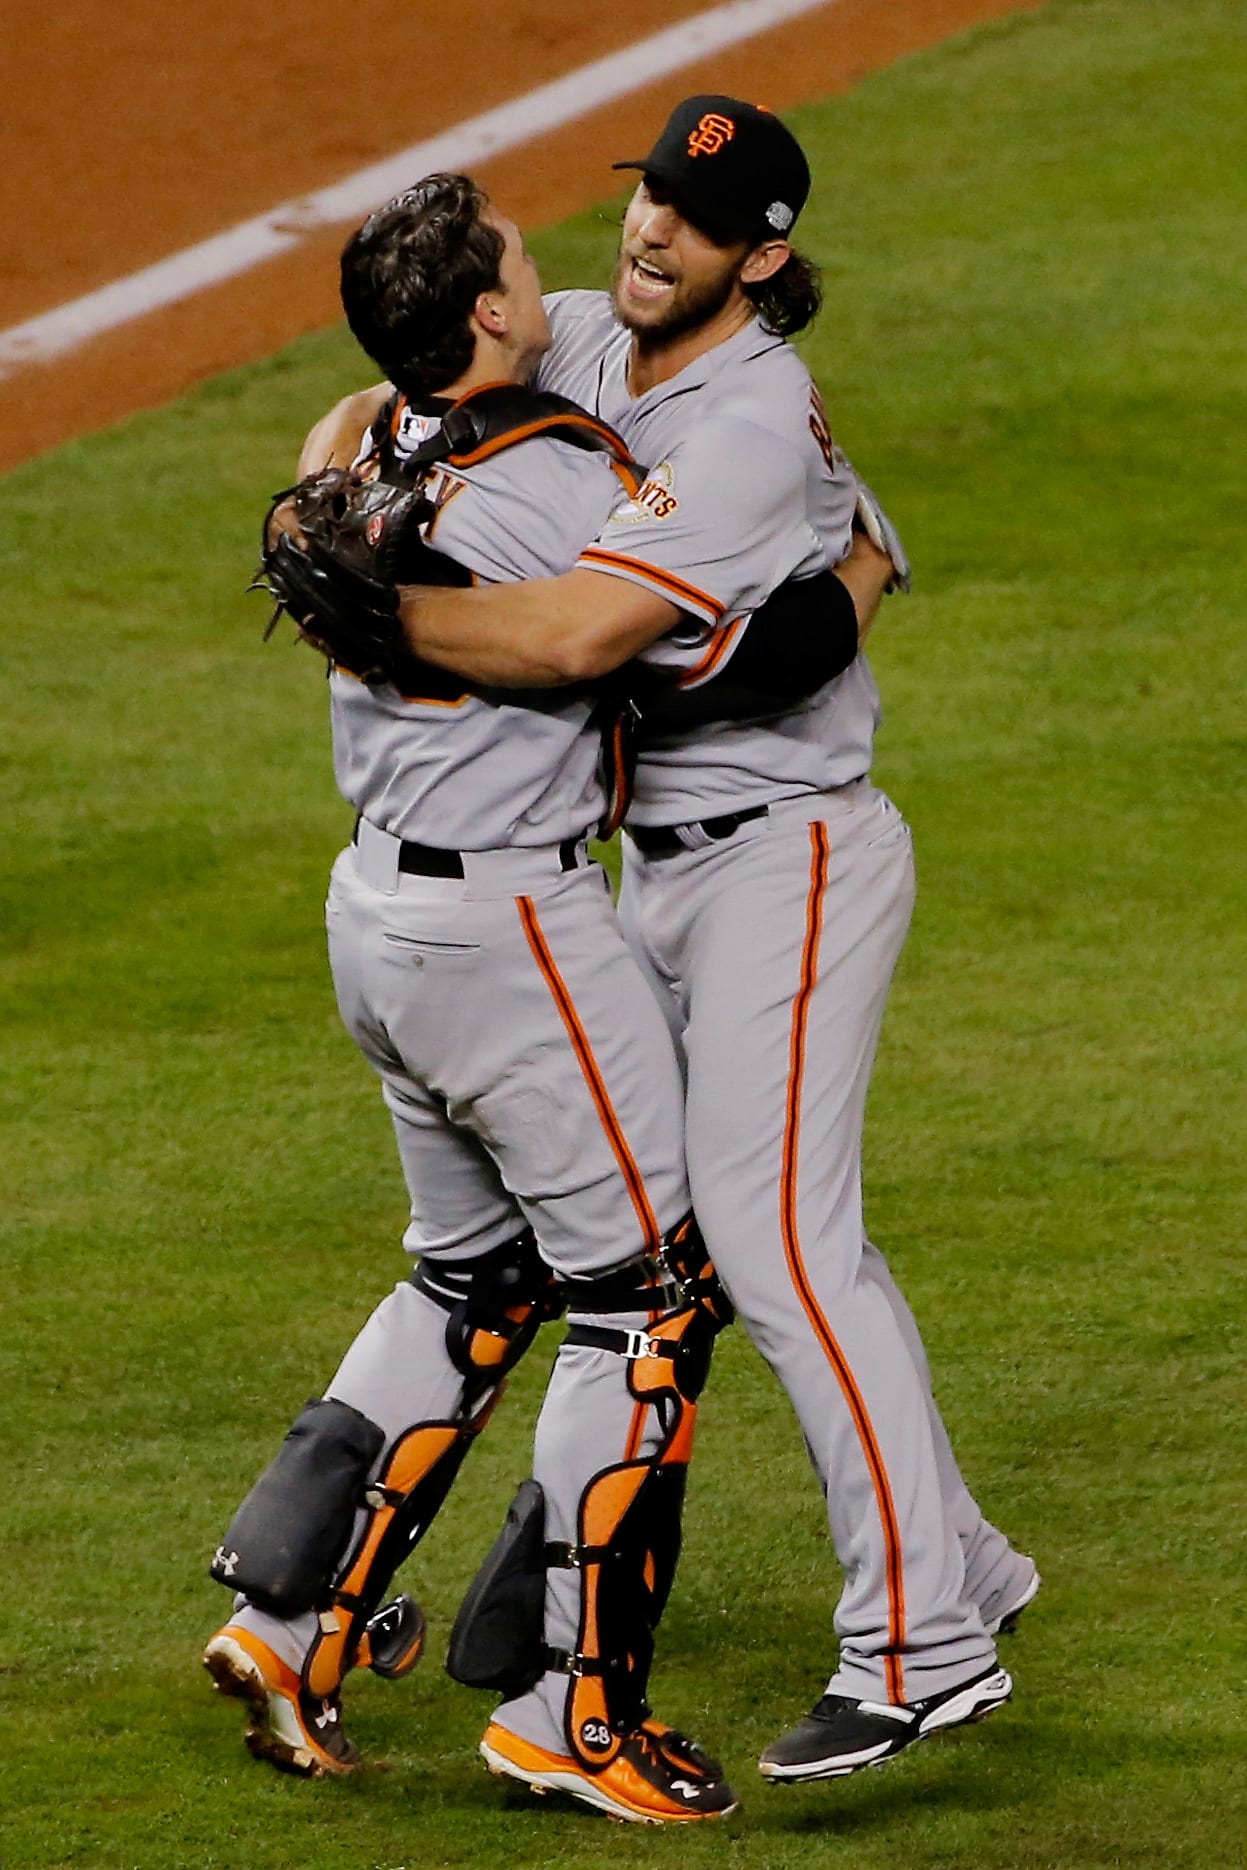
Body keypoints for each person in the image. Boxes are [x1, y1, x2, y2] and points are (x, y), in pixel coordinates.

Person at [365, 98, 1040, 1788]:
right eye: (652, 192)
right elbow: (408, 398)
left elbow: (592, 630)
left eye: (700, 211)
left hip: (784, 863)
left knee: (777, 1243)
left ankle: (922, 1646)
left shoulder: (743, 425)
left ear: (767, 253)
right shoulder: (594, 341)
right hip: (645, 879)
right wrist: (335, 470)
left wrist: (381, 602)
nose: (654, 228)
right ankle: (965, 1559)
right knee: (672, 1229)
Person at [204, 172, 884, 1823]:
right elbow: (638, 639)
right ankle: (576, 1711)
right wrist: (859, 576)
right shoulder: (571, 471)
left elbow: (347, 411)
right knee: (648, 1293)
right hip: (510, 933)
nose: (557, 266)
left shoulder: (359, 457)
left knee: (470, 1268)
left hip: (374, 909)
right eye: (522, 261)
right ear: (493, 319)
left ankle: (288, 1620)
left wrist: (314, 516)